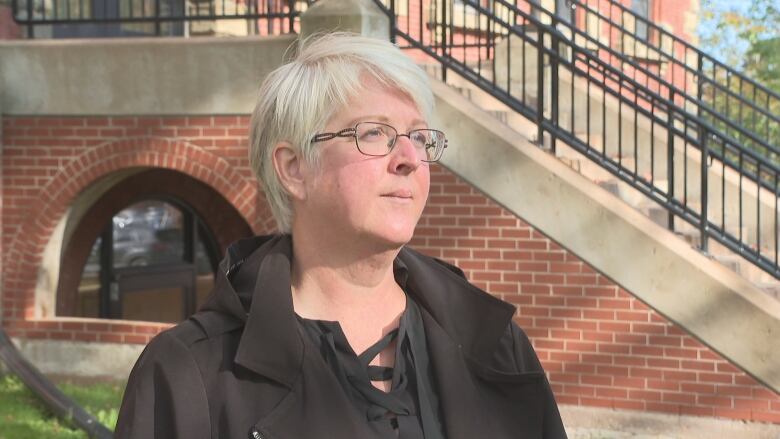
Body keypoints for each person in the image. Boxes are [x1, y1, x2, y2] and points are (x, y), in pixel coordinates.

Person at [115, 32, 568, 439]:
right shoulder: (189, 374)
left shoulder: (497, 345)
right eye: (375, 133)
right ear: (294, 168)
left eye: (418, 136)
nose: (410, 157)